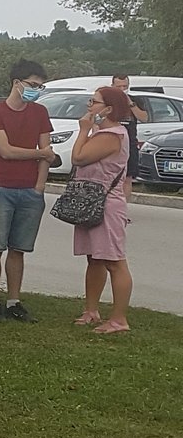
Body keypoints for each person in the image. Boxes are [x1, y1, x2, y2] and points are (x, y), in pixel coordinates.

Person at [0, 60, 55, 321]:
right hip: (0, 188)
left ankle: (14, 300)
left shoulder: (40, 112)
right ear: (17, 83)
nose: (36, 90)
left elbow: (48, 153)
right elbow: (6, 150)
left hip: (30, 190)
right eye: (33, 85)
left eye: (40, 86)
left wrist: (39, 187)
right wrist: (40, 154)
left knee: (19, 248)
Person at [72, 86, 135, 334]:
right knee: (95, 258)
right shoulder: (102, 132)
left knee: (114, 261)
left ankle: (119, 319)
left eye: (94, 101)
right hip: (92, 202)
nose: (89, 105)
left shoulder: (112, 135)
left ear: (108, 109)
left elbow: (78, 157)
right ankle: (91, 310)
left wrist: (84, 131)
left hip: (107, 205)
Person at [111, 74, 147, 150]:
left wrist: (130, 103)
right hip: (111, 141)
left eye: (125, 86)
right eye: (119, 86)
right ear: (112, 86)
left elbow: (144, 118)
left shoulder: (135, 100)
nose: (122, 89)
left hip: (130, 142)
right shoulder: (106, 100)